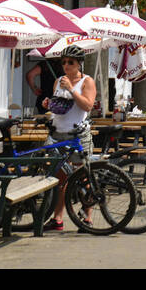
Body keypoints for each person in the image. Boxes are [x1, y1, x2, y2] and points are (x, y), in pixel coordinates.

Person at [43, 46, 97, 231]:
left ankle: (87, 217)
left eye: (70, 62)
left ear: (79, 64)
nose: (66, 65)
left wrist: (72, 90)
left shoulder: (86, 81)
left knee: (84, 176)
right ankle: (58, 218)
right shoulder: (58, 81)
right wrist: (48, 104)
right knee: (60, 178)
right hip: (58, 133)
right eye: (64, 62)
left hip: (77, 134)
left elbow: (88, 105)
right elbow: (59, 106)